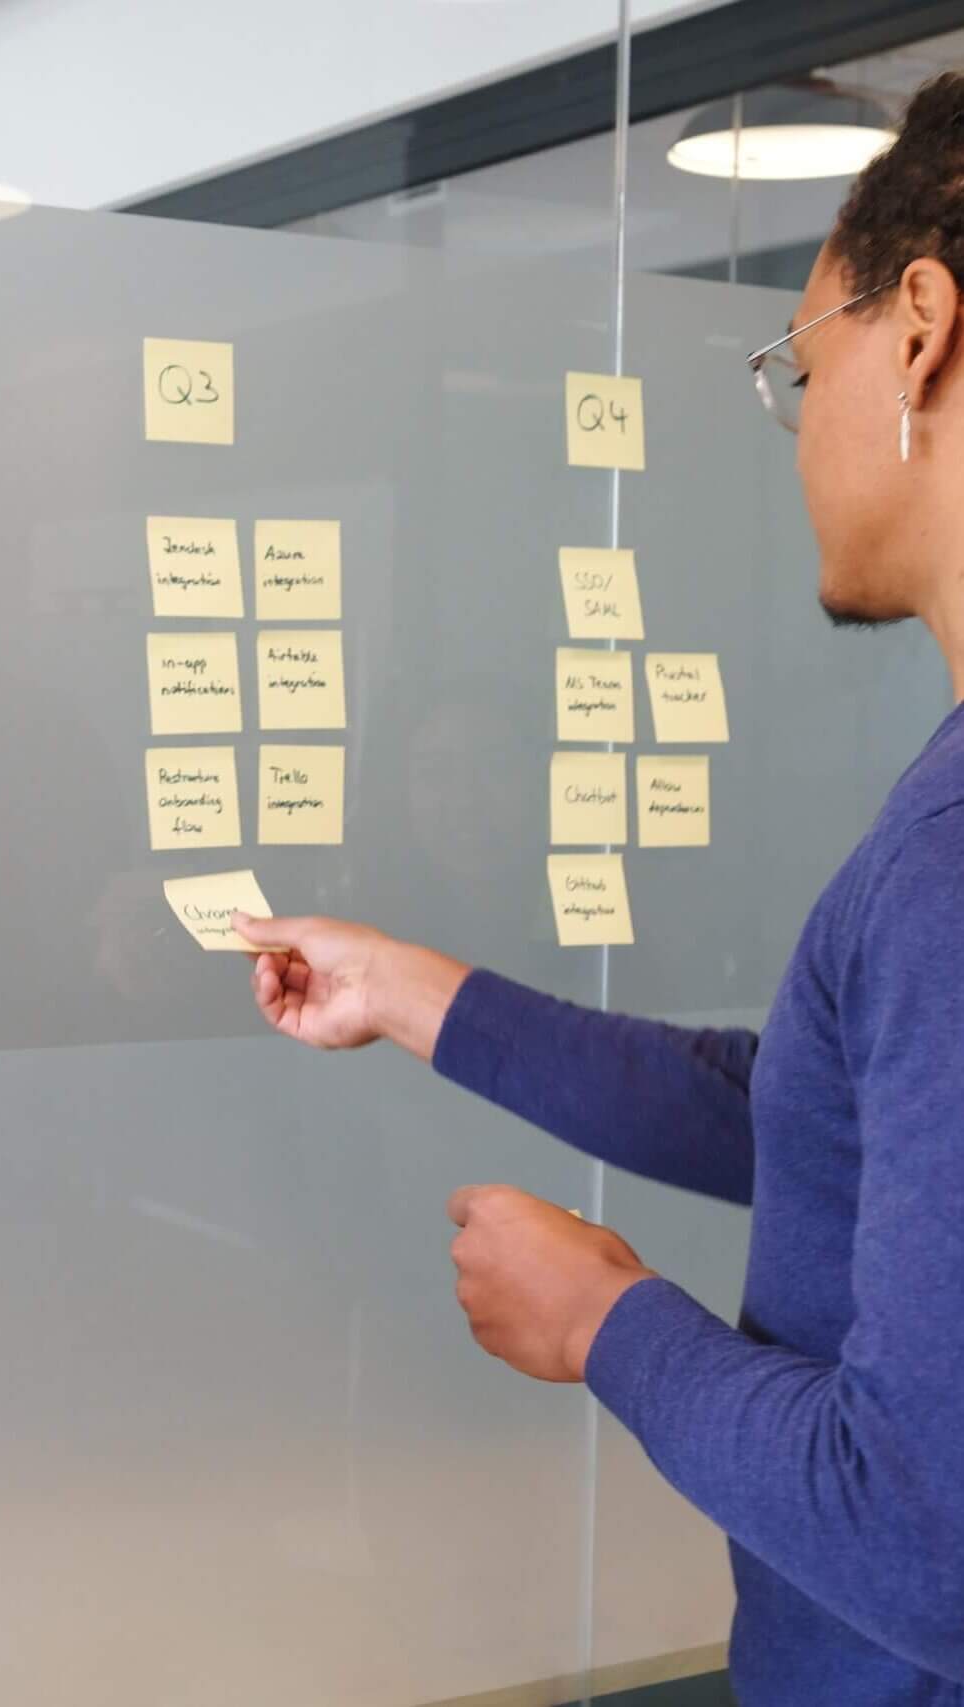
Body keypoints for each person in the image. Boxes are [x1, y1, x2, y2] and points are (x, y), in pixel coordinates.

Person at [233, 74, 964, 1707]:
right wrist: (413, 993)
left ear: (919, 328)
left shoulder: (949, 861)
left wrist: (607, 1325)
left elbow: (926, 1537)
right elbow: (809, 1113)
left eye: (801, 359)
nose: (793, 424)